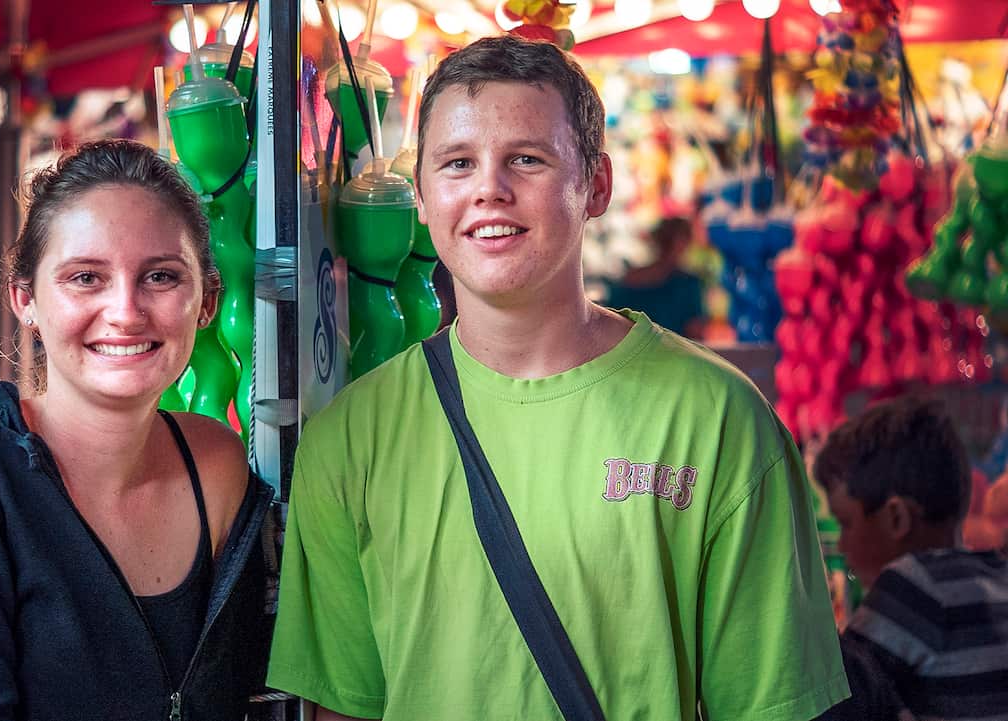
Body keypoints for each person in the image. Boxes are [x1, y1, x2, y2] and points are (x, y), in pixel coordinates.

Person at [267, 35, 848, 721]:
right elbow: (342, 707)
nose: (489, 188)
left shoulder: (717, 420)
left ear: (595, 186)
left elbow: (770, 702)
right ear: (420, 195)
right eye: (457, 163)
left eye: (527, 159)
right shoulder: (349, 441)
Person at [0, 139, 274, 721]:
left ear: (205, 303)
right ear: (25, 299)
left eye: (160, 276)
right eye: (85, 278)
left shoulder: (219, 464)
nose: (126, 311)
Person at [815, 395, 1008, 721]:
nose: (844, 544)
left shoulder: (914, 586)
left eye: (847, 523)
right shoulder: (997, 575)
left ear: (896, 518)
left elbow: (839, 697)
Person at [604, 216, 706, 338]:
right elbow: (695, 331)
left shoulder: (628, 279)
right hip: (670, 353)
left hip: (631, 352)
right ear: (684, 243)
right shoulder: (687, 284)